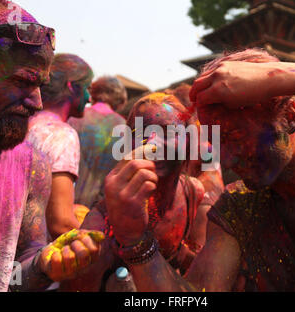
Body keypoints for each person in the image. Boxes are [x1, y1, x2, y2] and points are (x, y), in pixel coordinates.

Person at [104, 49, 295, 292]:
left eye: (236, 140)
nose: (226, 161)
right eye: (218, 143)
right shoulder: (238, 210)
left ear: (289, 117)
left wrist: (287, 77)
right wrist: (136, 241)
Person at [0, 0, 102, 292]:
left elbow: (16, 273)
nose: (37, 103)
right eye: (22, 82)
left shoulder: (31, 166)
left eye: (40, 84)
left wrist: (44, 265)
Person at [61, 93, 214, 291]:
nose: (150, 143)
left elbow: (203, 280)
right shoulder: (104, 218)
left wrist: (178, 255)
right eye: (139, 132)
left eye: (166, 133)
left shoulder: (193, 193)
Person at [26, 53, 93, 239]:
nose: (89, 98)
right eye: (88, 88)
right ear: (72, 87)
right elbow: (60, 223)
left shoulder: (23, 121)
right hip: (34, 257)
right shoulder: (62, 135)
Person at [68, 76, 127, 222]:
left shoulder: (74, 118)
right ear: (120, 99)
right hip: (98, 212)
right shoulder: (125, 128)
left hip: (66, 204)